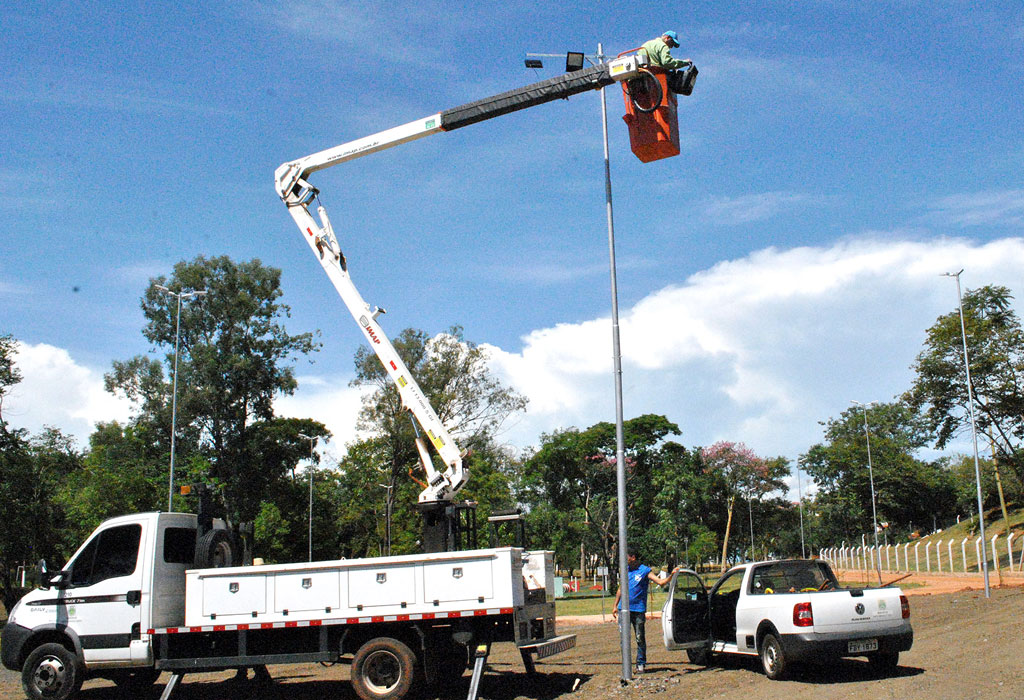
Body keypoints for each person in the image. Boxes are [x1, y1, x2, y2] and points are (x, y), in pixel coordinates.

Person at [612, 551, 678, 674]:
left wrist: (671, 576)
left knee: (639, 637)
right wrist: (615, 605)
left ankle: (641, 664)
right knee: (624, 639)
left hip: (638, 610)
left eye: (626, 556)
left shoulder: (645, 570)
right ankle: (626, 665)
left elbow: (661, 582)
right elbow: (621, 588)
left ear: (633, 556)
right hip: (623, 610)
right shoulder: (625, 570)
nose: (624, 559)